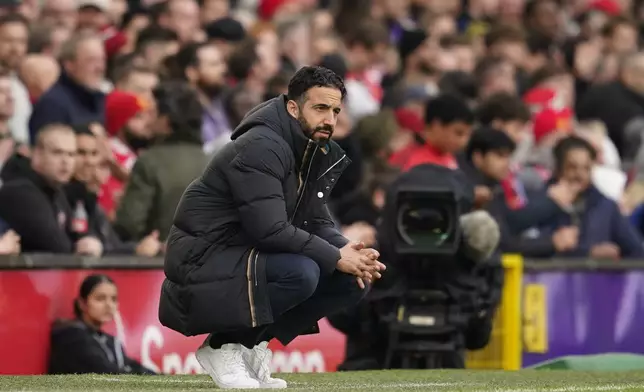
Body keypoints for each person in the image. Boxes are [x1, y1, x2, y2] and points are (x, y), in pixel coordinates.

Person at [159, 66, 385, 389]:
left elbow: (316, 220)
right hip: (200, 262)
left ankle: (252, 344)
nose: (330, 120)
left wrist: (352, 253)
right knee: (303, 272)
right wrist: (335, 255)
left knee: (352, 281)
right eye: (320, 108)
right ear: (293, 107)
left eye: (335, 111)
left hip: (239, 257)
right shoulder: (262, 145)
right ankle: (223, 345)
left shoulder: (307, 146)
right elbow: (270, 229)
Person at [48, 274, 155, 374]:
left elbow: (134, 367)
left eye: (113, 299)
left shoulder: (110, 341)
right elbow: (105, 373)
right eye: (100, 298)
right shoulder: (71, 337)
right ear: (82, 303)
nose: (109, 305)